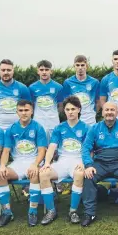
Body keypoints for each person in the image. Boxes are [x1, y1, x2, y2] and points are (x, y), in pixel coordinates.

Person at [81, 102, 118, 227]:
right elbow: (85, 148)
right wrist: (88, 165)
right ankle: (89, 213)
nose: (109, 112)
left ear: (117, 112)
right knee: (88, 176)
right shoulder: (94, 128)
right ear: (102, 112)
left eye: (112, 110)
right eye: (107, 110)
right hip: (100, 162)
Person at [0, 100, 47, 227]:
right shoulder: (10, 129)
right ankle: (7, 212)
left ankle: (33, 211)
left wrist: (35, 164)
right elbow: (6, 151)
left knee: (34, 174)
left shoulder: (38, 127)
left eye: (26, 110)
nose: (24, 113)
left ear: (32, 111)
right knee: (1, 175)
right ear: (17, 112)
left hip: (34, 160)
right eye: (21, 110)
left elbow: (42, 151)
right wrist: (2, 166)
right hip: (18, 163)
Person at [38, 96, 88, 225]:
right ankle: (51, 211)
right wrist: (47, 163)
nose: (70, 112)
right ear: (64, 111)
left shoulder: (86, 128)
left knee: (79, 174)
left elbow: (89, 150)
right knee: (43, 174)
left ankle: (73, 211)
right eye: (67, 109)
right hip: (62, 161)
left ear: (79, 110)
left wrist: (84, 163)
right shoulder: (59, 128)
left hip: (78, 160)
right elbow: (52, 147)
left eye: (73, 109)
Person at [0, 59, 31, 131]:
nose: (6, 72)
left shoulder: (22, 88)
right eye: (3, 70)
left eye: (8, 70)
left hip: (18, 129)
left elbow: (29, 109)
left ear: (13, 71)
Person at [29, 60, 64, 141]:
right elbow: (31, 106)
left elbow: (61, 105)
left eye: (46, 69)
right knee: (39, 146)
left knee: (54, 146)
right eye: (41, 70)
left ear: (51, 71)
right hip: (38, 120)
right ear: (38, 71)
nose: (44, 72)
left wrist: (52, 115)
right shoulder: (32, 87)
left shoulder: (58, 87)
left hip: (53, 121)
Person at [63, 55, 101, 126]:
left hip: (90, 120)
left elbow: (98, 102)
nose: (80, 68)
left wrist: (92, 113)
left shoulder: (95, 82)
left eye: (82, 65)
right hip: (74, 121)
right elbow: (66, 103)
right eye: (77, 65)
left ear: (87, 66)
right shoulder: (67, 82)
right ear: (74, 66)